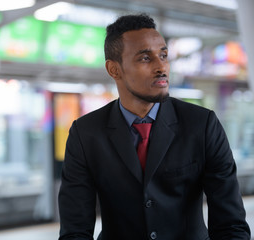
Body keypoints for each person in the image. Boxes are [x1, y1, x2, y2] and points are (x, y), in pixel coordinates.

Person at [58, 13, 251, 240]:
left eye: (163, 55)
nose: (162, 67)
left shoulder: (202, 125)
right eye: (145, 58)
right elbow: (75, 231)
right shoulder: (86, 133)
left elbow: (231, 226)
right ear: (114, 69)